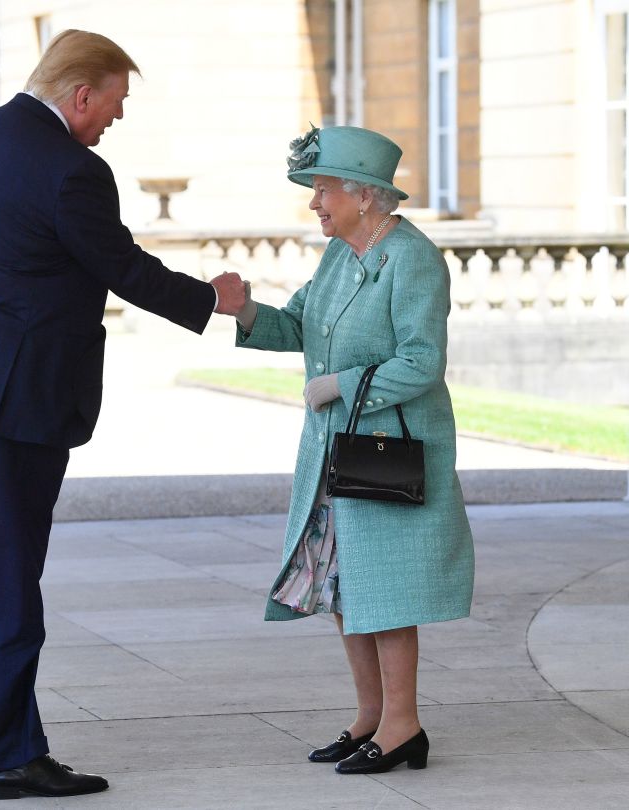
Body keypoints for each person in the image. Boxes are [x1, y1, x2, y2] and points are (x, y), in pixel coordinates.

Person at [0, 30, 245, 800]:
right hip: (15, 403)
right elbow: (122, 267)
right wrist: (213, 300)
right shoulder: (72, 169)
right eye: (114, 103)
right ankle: (10, 756)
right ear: (82, 94)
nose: (115, 119)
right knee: (7, 576)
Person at [230, 125, 474, 774]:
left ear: (365, 196)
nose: (314, 203)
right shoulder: (339, 255)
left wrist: (342, 385)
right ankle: (371, 716)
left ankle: (404, 725)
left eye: (322, 190)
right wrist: (246, 311)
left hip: (387, 447)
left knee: (388, 591)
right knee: (344, 587)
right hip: (336, 449)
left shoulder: (414, 260)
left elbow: (422, 362)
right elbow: (299, 324)